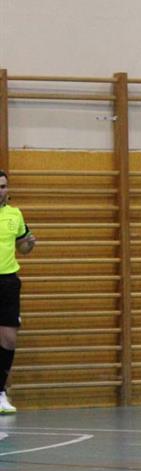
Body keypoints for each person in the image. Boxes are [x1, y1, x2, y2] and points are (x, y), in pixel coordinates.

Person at [0, 171, 35, 415]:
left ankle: (0, 392)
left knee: (9, 339)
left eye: (3, 186)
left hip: (8, 282)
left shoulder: (15, 214)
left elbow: (22, 246)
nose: (0, 191)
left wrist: (28, 244)